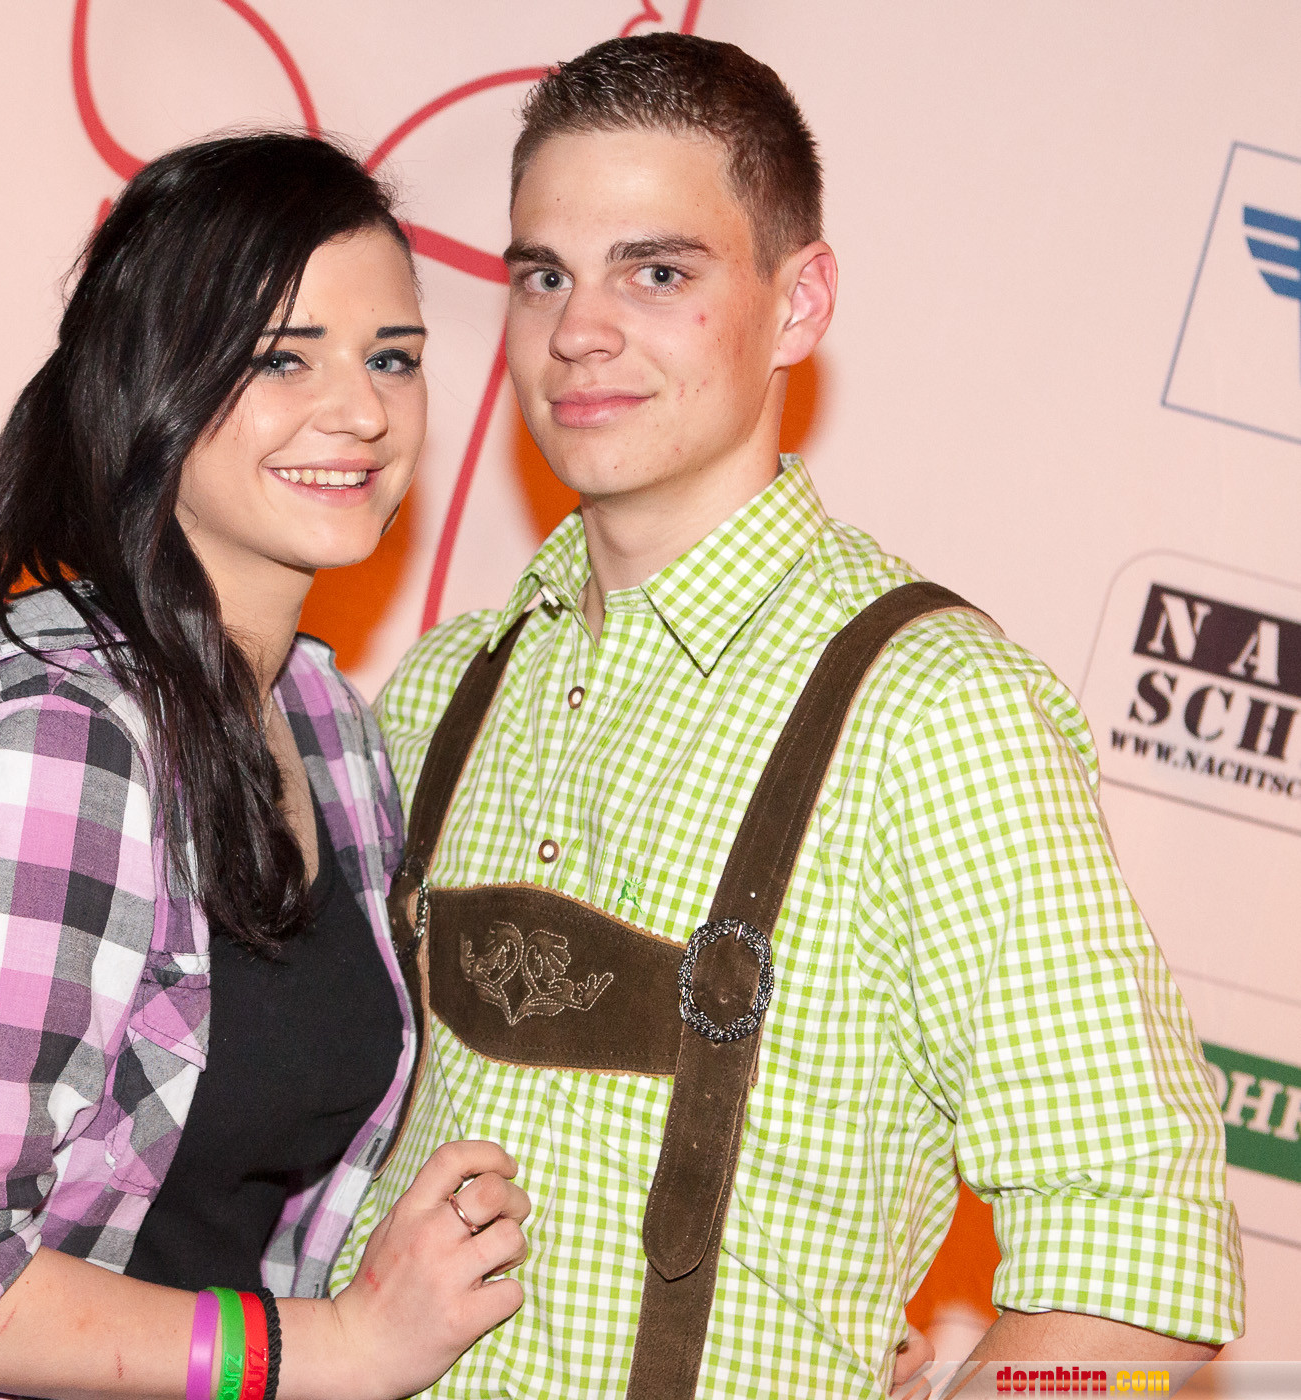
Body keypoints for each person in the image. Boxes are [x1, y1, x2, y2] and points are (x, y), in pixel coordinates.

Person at [331, 31, 1244, 1400]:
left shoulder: (935, 713)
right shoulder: (442, 686)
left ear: (799, 303)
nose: (579, 331)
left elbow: (1141, 1257)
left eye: (658, 272)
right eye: (544, 275)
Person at [0, 133, 535, 1400]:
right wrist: (338, 1346)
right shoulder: (56, 744)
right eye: (283, 357)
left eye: (392, 356)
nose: (363, 410)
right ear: (155, 378)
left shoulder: (328, 726)